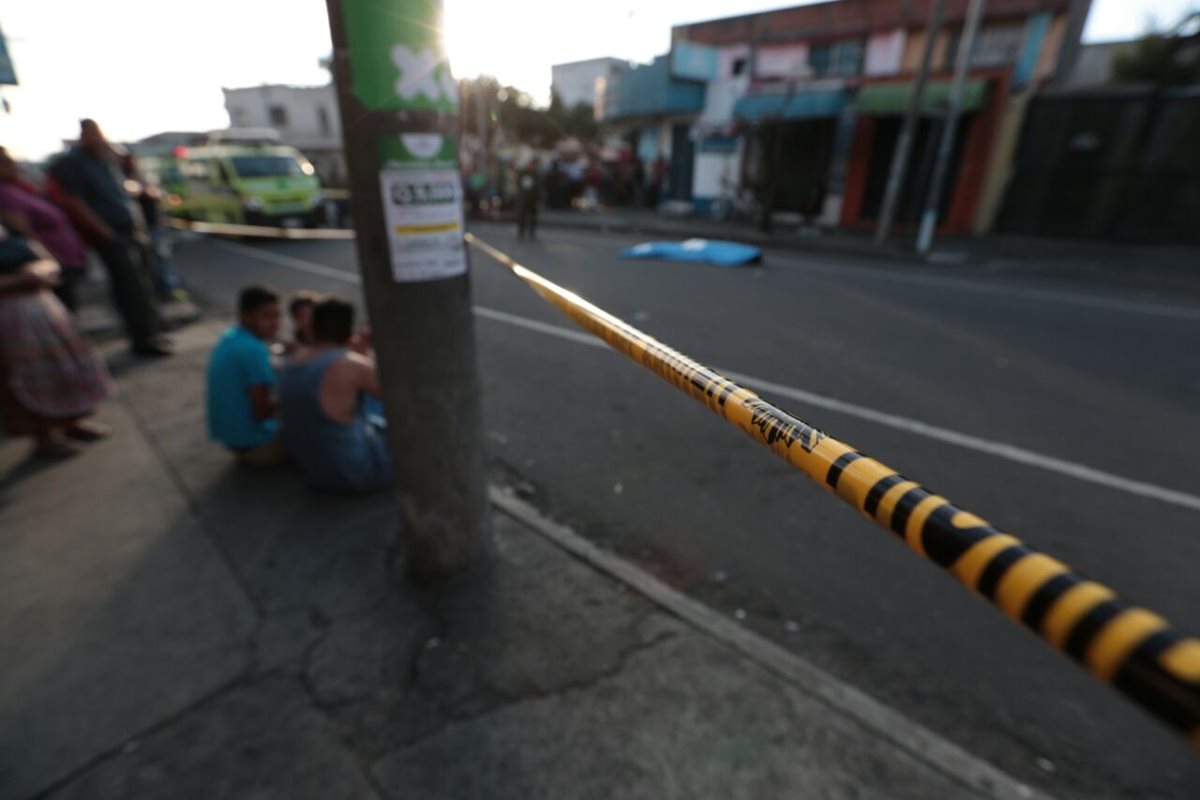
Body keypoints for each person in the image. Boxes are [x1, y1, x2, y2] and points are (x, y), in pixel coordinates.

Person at [49, 119, 171, 356]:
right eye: (93, 134)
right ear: (83, 135)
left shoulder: (105, 159)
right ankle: (142, 339)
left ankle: (153, 330)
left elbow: (129, 180)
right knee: (130, 288)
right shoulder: (73, 163)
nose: (99, 139)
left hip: (132, 231)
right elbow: (75, 202)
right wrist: (104, 231)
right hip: (112, 234)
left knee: (145, 284)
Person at [0, 218, 113, 459]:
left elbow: (45, 259)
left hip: (43, 308)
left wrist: (41, 271)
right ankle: (44, 437)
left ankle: (73, 422)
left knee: (64, 368)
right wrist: (20, 280)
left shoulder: (10, 228)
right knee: (29, 377)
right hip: (10, 320)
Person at [279, 297, 392, 493]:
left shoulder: (293, 362)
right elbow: (406, 401)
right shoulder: (349, 365)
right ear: (350, 333)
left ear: (312, 329)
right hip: (357, 475)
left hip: (316, 472)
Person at [0, 146, 88, 311]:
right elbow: (25, 234)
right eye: (4, 161)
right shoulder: (5, 194)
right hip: (45, 269)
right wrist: (50, 260)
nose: (12, 164)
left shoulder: (19, 188)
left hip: (53, 265)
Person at [206, 285, 284, 465]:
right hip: (255, 446)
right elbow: (262, 412)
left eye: (277, 316)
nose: (275, 323)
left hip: (231, 440)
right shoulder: (254, 350)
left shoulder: (230, 336)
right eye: (267, 317)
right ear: (245, 317)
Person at [119, 152, 186, 303]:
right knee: (157, 259)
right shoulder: (126, 180)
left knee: (162, 257)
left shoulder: (140, 177)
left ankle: (169, 288)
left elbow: (154, 194)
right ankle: (165, 289)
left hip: (154, 224)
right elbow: (141, 192)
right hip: (146, 227)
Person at [285, 290, 320, 357]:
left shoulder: (328, 343)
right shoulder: (292, 345)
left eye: (310, 315)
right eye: (301, 315)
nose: (307, 320)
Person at [516, 159, 540, 241]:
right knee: (522, 215)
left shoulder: (536, 175)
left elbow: (539, 186)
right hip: (524, 198)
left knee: (533, 215)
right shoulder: (523, 174)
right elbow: (519, 184)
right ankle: (521, 231)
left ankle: (531, 231)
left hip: (533, 199)